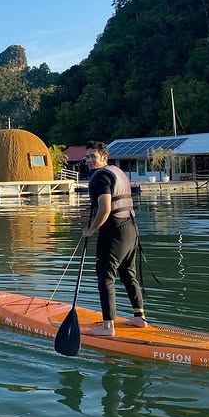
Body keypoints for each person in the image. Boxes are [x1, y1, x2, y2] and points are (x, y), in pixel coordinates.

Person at [82, 141, 147, 337]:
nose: (89, 160)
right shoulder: (116, 171)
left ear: (104, 158)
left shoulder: (101, 177)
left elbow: (105, 208)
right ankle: (139, 317)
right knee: (128, 273)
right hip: (131, 229)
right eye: (88, 157)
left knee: (105, 276)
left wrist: (91, 229)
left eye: (93, 157)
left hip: (114, 232)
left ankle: (108, 326)